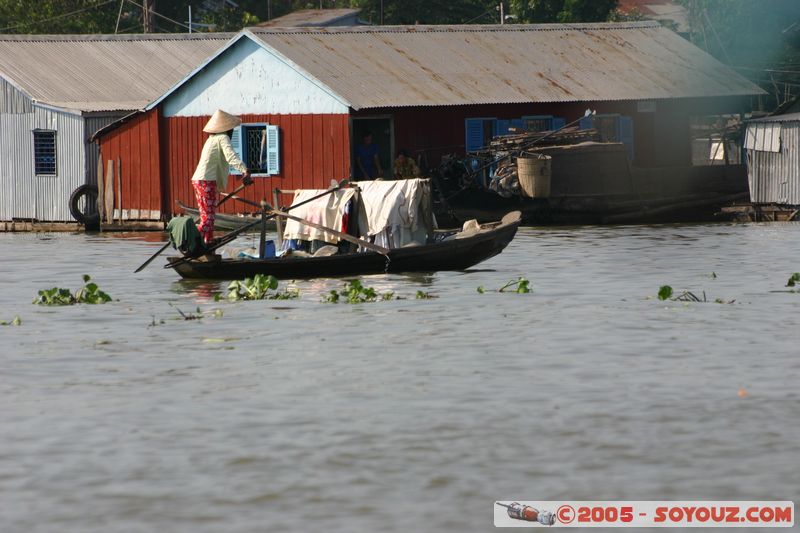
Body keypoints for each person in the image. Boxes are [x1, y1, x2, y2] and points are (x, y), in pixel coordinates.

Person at [191, 109, 252, 246]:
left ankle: (207, 244)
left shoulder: (211, 139)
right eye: (232, 130)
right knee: (208, 220)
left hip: (201, 180)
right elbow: (230, 157)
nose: (232, 132)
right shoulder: (222, 138)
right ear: (227, 129)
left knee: (208, 218)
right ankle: (188, 238)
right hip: (206, 181)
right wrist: (245, 170)